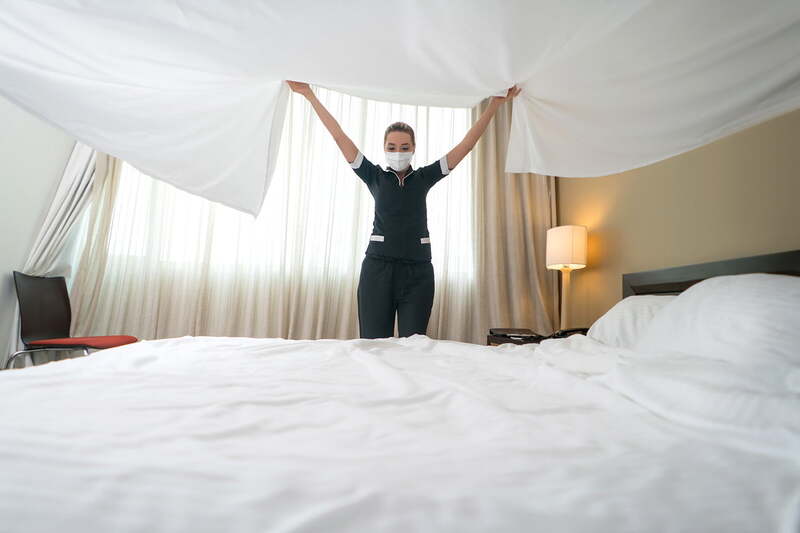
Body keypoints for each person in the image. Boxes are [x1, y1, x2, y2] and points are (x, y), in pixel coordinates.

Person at [287, 81, 521, 339]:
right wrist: (310, 95)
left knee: (415, 346)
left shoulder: (424, 177)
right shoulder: (374, 176)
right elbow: (339, 136)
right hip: (377, 271)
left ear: (413, 149)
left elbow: (466, 145)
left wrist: (494, 105)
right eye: (392, 147)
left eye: (404, 147)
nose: (398, 152)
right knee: (374, 347)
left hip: (418, 273)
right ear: (384, 149)